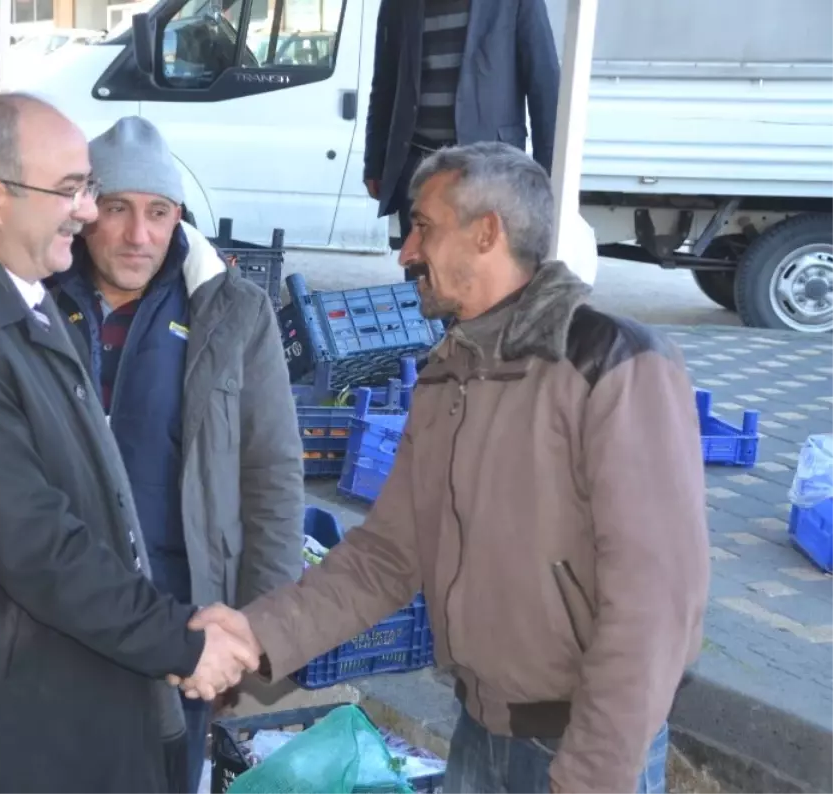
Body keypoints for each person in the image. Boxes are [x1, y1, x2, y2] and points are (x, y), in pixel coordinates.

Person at [181, 142, 711, 794]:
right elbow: (385, 556)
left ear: (487, 233)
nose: (407, 251)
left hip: (581, 748)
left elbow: (655, 602)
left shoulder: (613, 363)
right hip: (479, 734)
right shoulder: (447, 373)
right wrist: (254, 635)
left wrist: (597, 771)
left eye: (424, 227)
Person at [0, 93, 259, 794]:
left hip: (43, 707)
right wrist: (181, 641)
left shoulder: (17, 300)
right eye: (71, 190)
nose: (88, 210)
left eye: (87, 187)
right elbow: (36, 543)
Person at [48, 116, 305, 794]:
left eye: (158, 213)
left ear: (178, 218)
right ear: (84, 211)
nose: (139, 235)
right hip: (51, 606)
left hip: (181, 618)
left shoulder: (234, 313)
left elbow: (272, 474)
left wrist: (259, 627)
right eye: (117, 210)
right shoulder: (36, 300)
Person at [364, 0, 560, 270]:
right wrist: (374, 161)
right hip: (418, 168)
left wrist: (548, 176)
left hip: (490, 172)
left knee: (484, 276)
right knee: (425, 276)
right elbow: (384, 80)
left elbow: (545, 84)